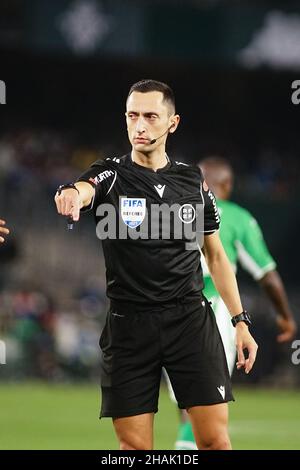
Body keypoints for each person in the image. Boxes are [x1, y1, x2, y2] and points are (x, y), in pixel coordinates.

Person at [54, 80, 258, 450]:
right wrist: (68, 193)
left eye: (150, 116)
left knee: (214, 442)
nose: (140, 126)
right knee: (134, 450)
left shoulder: (192, 181)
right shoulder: (111, 174)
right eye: (132, 116)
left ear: (172, 123)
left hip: (189, 322)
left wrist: (240, 321)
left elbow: (215, 256)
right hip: (129, 328)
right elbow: (82, 188)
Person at [172, 156, 297, 450]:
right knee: (205, 409)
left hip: (168, 312)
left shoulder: (173, 211)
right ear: (227, 185)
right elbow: (267, 274)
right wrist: (285, 315)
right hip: (212, 312)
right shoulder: (237, 217)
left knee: (187, 409)